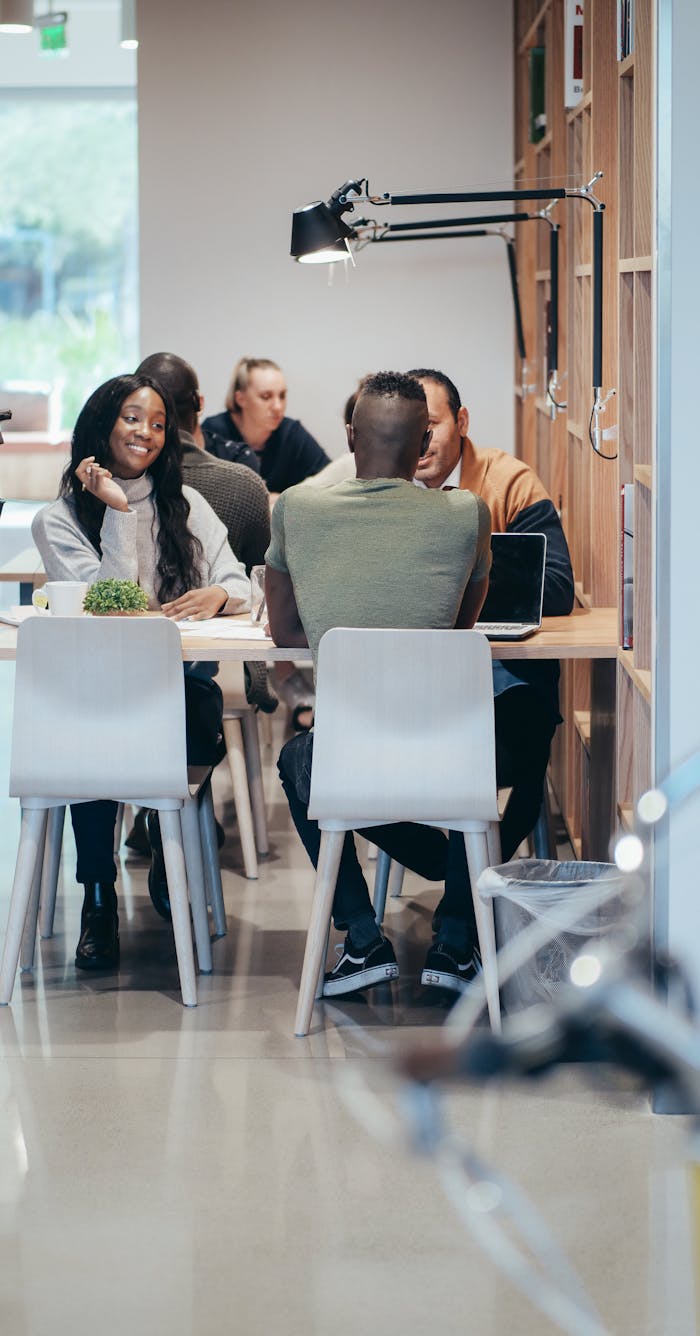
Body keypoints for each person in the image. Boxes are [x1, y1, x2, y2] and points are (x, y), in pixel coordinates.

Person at [266, 371, 492, 997]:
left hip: (349, 759)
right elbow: (458, 626)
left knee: (298, 759)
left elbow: (285, 630)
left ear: (349, 436)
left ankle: (362, 939)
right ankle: (453, 942)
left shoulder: (297, 510)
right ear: (424, 444)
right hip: (453, 759)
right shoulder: (468, 513)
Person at [31, 373, 251, 972]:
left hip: (175, 689)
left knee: (172, 709)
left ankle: (160, 839)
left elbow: (239, 582)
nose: (146, 434)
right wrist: (119, 513)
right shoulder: (56, 520)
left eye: (158, 423)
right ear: (102, 423)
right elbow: (113, 605)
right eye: (132, 418)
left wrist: (216, 597)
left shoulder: (186, 504)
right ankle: (99, 897)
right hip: (94, 690)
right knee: (96, 735)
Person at [407, 366, 574, 940]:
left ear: (462, 422)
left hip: (505, 692)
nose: (420, 442)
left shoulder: (509, 482)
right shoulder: (382, 489)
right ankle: (446, 863)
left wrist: (462, 573)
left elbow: (555, 587)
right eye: (408, 428)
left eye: (430, 425)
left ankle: (456, 931)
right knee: (312, 763)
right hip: (417, 695)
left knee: (494, 743)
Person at [201, 356, 330, 496]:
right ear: (240, 399)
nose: (277, 406)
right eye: (266, 396)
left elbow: (329, 479)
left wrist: (287, 499)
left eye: (282, 396)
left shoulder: (291, 432)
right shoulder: (213, 432)